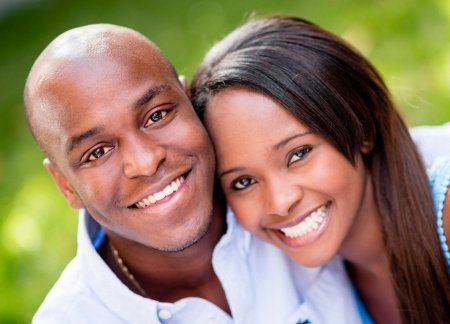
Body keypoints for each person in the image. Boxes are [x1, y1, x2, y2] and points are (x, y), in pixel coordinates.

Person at [25, 23, 367, 323]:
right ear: (65, 185)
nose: (145, 162)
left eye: (156, 115)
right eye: (98, 152)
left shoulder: (295, 204)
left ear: (189, 100)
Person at [190, 16, 450, 324]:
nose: (280, 202)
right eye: (244, 181)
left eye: (299, 154)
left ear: (361, 126)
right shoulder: (320, 285)